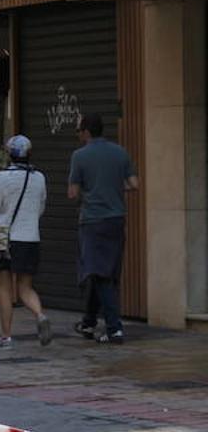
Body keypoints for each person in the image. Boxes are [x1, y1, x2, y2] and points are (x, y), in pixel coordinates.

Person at [0, 135, 51, 349]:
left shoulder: (1, 178)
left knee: (5, 288)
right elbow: (41, 208)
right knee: (25, 287)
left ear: (9, 155)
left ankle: (6, 336)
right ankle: (40, 314)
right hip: (30, 238)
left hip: (5, 241)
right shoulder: (39, 178)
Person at [68, 112, 140, 344]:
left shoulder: (79, 156)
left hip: (92, 221)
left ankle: (114, 328)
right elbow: (134, 185)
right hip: (117, 220)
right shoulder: (120, 152)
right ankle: (88, 322)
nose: (78, 135)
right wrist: (113, 189)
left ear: (87, 132)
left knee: (99, 274)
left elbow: (73, 193)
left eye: (79, 131)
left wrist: (89, 192)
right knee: (102, 272)